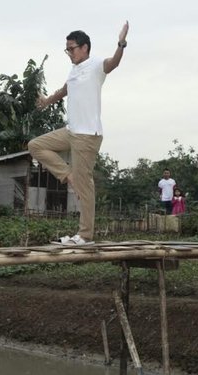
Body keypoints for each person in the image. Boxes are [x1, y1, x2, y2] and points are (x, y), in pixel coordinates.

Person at [29, 22, 129, 245]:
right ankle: (69, 175)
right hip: (71, 131)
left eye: (71, 49)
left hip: (87, 135)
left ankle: (85, 235)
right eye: (67, 50)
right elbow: (65, 90)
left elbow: (114, 63)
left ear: (84, 47)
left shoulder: (95, 65)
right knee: (35, 145)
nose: (69, 53)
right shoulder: (74, 70)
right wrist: (46, 101)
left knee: (85, 186)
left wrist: (121, 43)